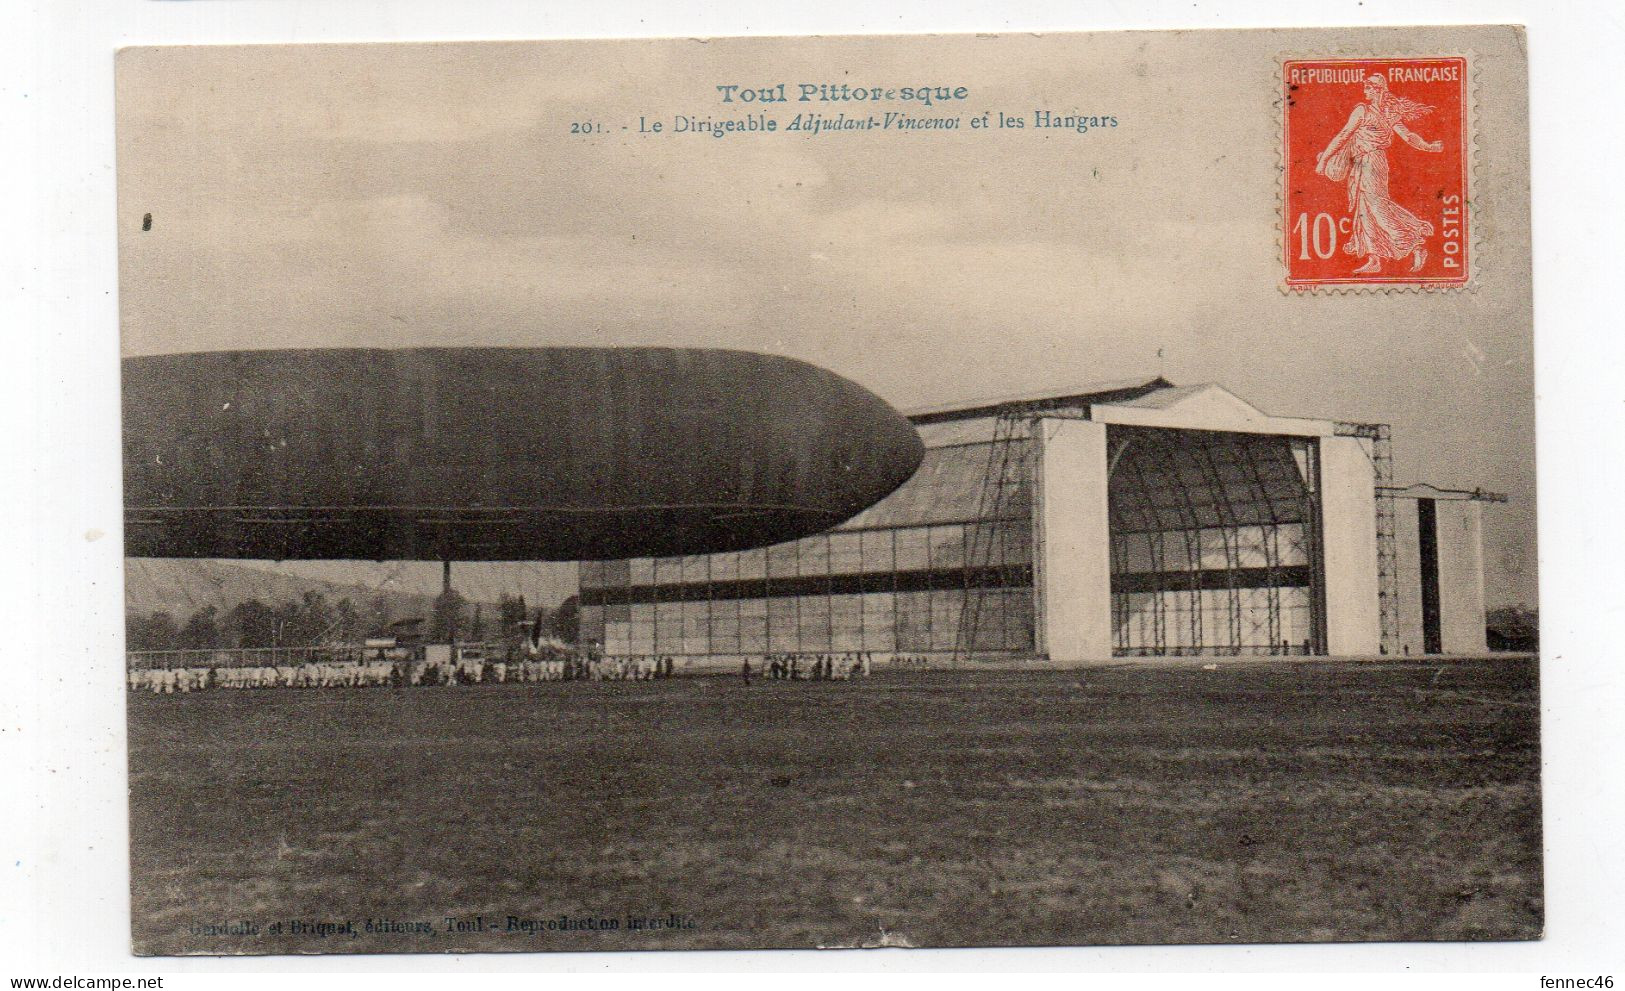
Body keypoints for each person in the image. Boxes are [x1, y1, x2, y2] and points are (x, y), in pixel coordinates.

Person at [1314, 73, 1444, 274]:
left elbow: (1343, 135)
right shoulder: (1386, 112)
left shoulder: (1364, 110)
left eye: (1368, 87)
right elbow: (1408, 136)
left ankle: (1414, 242)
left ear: (1377, 90)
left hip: (1371, 162)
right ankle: (1375, 259)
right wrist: (1428, 146)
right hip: (1366, 162)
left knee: (1376, 205)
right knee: (1364, 208)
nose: (1365, 91)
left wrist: (1323, 160)